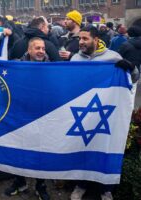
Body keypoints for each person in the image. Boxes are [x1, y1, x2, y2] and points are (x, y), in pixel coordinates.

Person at [70, 26, 139, 200]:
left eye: (85, 38)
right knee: (83, 149)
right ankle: (81, 185)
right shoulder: (75, 59)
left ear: (96, 39)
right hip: (82, 113)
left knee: (105, 148)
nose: (81, 42)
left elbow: (134, 79)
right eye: (80, 38)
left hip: (106, 113)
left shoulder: (113, 57)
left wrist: (131, 68)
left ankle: (106, 188)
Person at [4, 38, 51, 200]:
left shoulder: (53, 68)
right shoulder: (16, 65)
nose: (41, 51)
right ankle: (20, 182)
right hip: (21, 115)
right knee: (19, 149)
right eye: (37, 48)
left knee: (41, 151)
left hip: (43, 115)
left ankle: (40, 185)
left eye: (43, 48)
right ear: (29, 50)